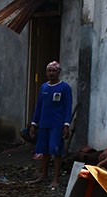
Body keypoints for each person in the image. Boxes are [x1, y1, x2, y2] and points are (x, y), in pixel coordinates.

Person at [28, 61, 73, 189]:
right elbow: (39, 106)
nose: (51, 73)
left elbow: (68, 107)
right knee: (44, 150)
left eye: (54, 71)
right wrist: (34, 123)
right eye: (49, 71)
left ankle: (56, 178)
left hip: (57, 125)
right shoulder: (44, 87)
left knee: (56, 150)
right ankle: (44, 174)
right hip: (44, 123)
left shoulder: (64, 88)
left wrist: (66, 124)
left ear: (59, 72)